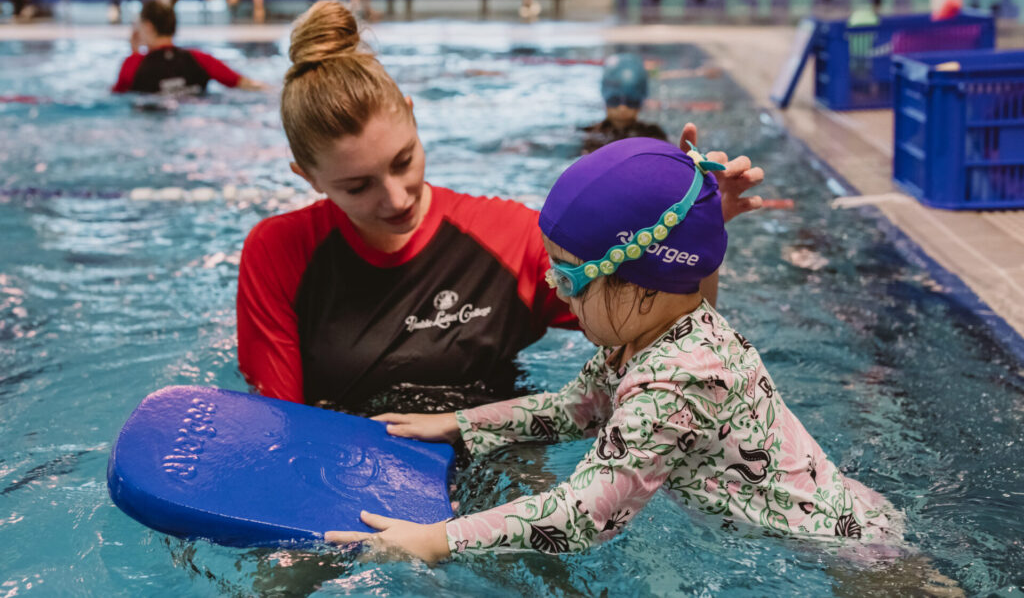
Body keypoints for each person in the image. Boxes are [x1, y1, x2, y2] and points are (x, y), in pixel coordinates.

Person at [323, 137, 902, 560]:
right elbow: (573, 409)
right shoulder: (644, 336)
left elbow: (586, 515)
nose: (554, 288)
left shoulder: (679, 379)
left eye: (569, 276)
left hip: (848, 554)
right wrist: (458, 423)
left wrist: (437, 540)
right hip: (833, 518)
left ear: (644, 280)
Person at [236, 0, 765, 416]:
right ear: (307, 178)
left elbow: (671, 353)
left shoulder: (508, 238)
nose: (396, 198)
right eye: (357, 187)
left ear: (414, 119)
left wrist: (694, 239)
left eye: (404, 161)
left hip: (492, 478)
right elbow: (278, 429)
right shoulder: (279, 253)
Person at [112, 0, 267, 94]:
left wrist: (134, 53)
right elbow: (246, 84)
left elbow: (117, 94)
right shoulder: (200, 59)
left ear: (148, 27)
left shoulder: (133, 64)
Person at [582, 53, 668, 154]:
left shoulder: (653, 134)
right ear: (605, 99)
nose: (622, 108)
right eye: (615, 100)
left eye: (631, 102)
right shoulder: (589, 135)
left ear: (641, 102)